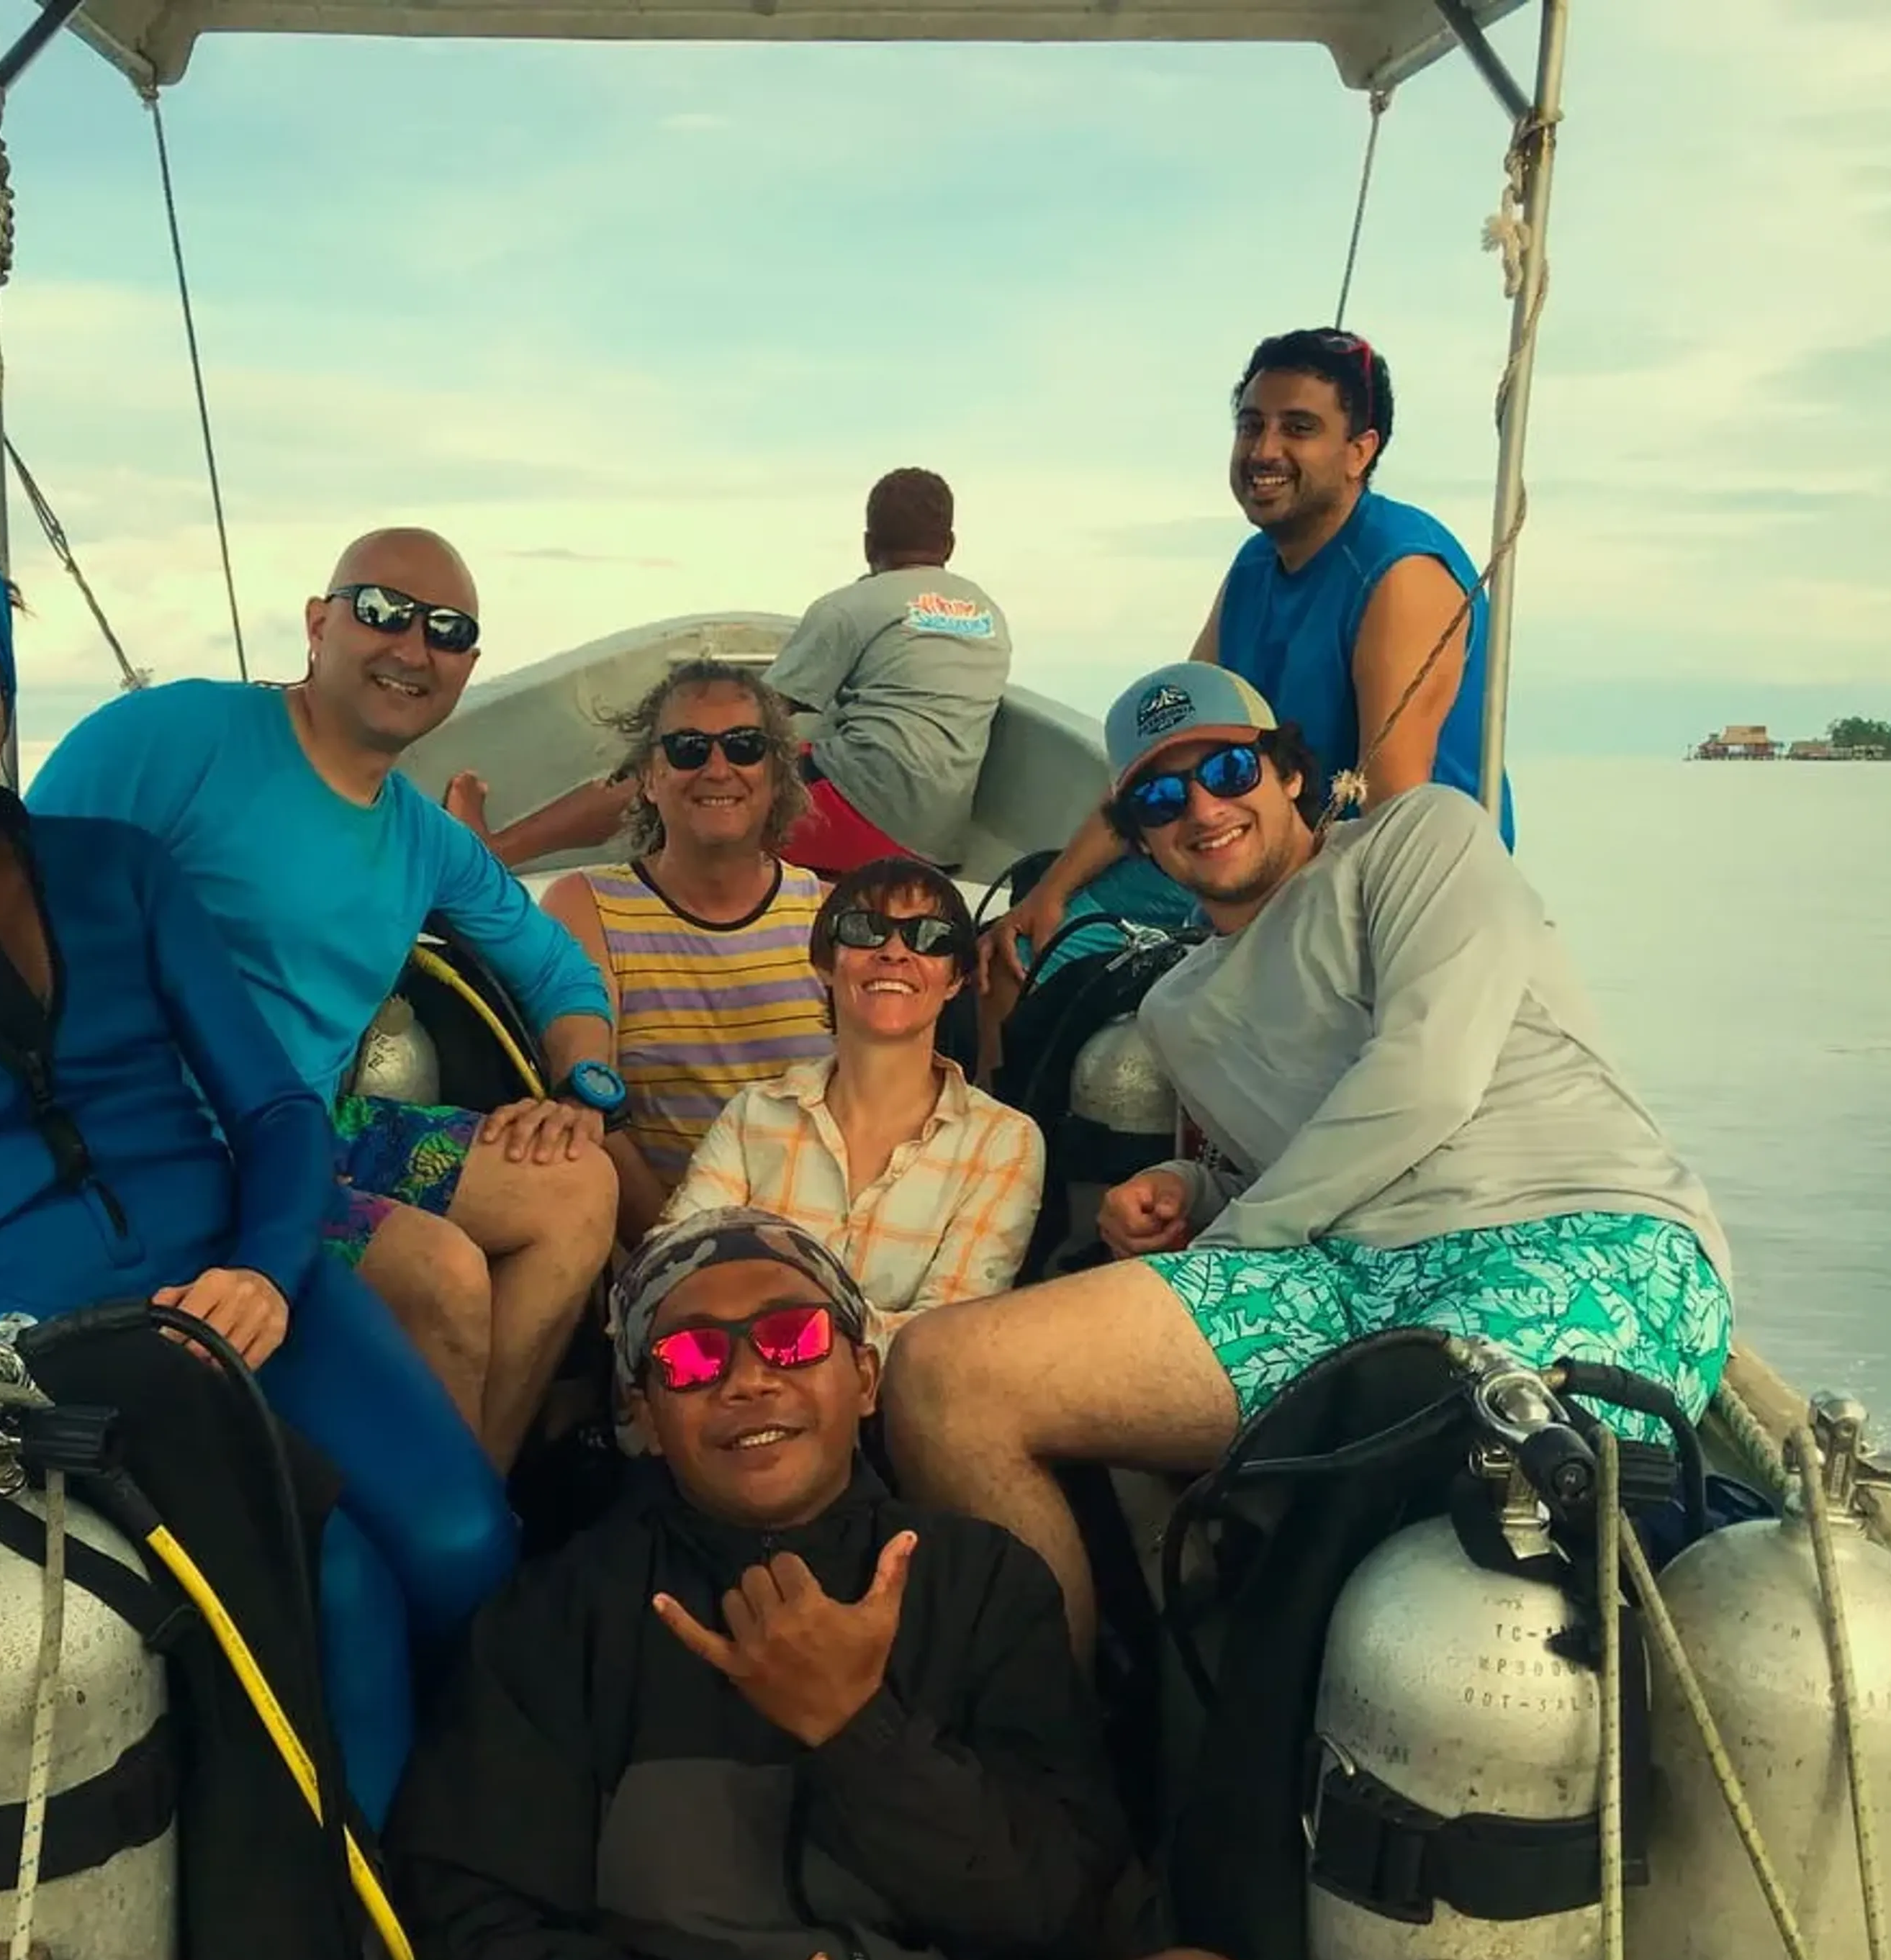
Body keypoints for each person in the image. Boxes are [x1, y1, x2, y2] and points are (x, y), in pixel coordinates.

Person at [0, 515, 518, 1818]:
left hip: (245, 1286)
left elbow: (281, 1110)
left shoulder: (119, 872)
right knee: (332, 1584)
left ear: (2, 704)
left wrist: (267, 1269)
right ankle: (375, 1935)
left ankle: (468, 1815)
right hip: (39, 1351)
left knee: (469, 1550)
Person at [885, 661, 1734, 1658]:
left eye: (1229, 771)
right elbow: (1295, 1165)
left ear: (1288, 771)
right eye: (1162, 795)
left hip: (1575, 1233)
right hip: (1338, 1272)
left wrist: (1227, 1241)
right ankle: (1056, 1758)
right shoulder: (1176, 1010)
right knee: (941, 1376)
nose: (1203, 807)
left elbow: (1426, 1081)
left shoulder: (1421, 840)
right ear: (1142, 835)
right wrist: (1194, 1190)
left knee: (1437, 1510)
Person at [387, 1207, 1304, 1960]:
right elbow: (469, 1933)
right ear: (645, 1418)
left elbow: (1069, 1906)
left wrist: (857, 1730)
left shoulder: (983, 1581)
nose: (749, 1377)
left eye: (793, 1338)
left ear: (863, 1379)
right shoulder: (553, 1618)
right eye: (693, 1357)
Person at [24, 527, 620, 1469]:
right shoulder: (172, 738)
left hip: (317, 1134)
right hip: (161, 1149)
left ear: (467, 666)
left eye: (448, 631)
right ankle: (441, 1533)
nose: (412, 647)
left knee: (580, 1187)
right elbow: (1, 918)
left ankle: (479, 1495)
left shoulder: (427, 840)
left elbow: (558, 974)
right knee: (443, 1277)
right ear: (318, 623)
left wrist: (582, 1091)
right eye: (382, 612)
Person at [985, 328, 1515, 1008]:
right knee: (1013, 954)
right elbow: (1163, 743)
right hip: (1260, 844)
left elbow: (1396, 819)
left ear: (1361, 452)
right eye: (1251, 426)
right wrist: (1053, 891)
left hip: (1394, 895)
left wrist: (1245, 939)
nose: (1265, 451)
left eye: (1298, 428)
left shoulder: (1400, 573)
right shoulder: (1255, 567)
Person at [448, 468, 1011, 876]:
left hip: (864, 821)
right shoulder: (988, 613)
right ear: (950, 545)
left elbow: (758, 715)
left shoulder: (852, 608)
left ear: (868, 544)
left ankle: (494, 851)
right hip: (941, 844)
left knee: (676, 763)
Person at [664, 862, 1042, 1353]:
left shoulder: (1005, 1141)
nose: (894, 952)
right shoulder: (752, 1115)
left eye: (929, 937)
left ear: (956, 980)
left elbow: (940, 1343)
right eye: (866, 930)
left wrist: (763, 1330)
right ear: (825, 962)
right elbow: (670, 1280)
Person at [538, 660, 834, 1245]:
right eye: (688, 749)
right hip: (660, 1252)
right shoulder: (586, 906)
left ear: (775, 774)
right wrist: (691, 1249)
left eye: (745, 747)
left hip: (823, 1251)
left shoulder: (830, 915)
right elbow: (593, 1108)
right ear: (649, 777)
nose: (718, 768)